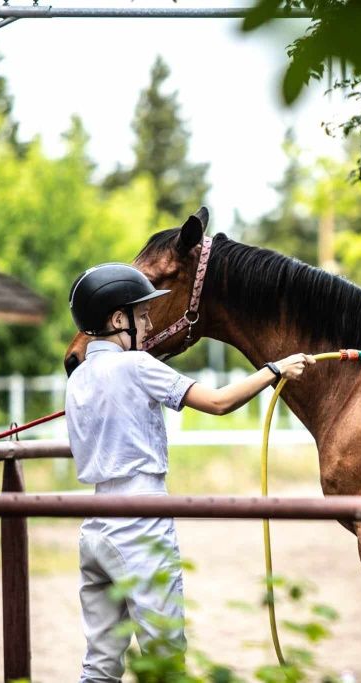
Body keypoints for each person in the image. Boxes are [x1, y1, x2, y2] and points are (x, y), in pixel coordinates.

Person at [65, 262, 314, 682]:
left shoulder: (79, 378)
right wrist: (274, 370)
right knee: (165, 654)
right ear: (116, 319)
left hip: (95, 527)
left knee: (101, 663)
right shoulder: (136, 366)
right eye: (141, 316)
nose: (147, 325)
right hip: (140, 523)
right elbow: (217, 402)